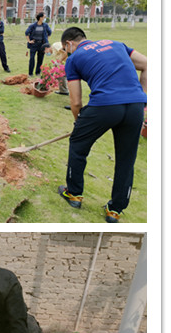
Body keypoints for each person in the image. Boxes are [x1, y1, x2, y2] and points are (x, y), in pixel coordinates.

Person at [57, 27, 147, 223]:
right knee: (126, 159)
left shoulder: (73, 58)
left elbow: (76, 102)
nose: (67, 53)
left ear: (69, 44)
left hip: (105, 105)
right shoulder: (116, 44)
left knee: (78, 146)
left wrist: (78, 124)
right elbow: (147, 64)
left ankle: (74, 194)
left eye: (66, 49)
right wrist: (143, 97)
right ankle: (115, 210)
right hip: (135, 106)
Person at [25, 12, 52, 77]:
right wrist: (29, 41)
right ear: (40, 18)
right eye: (44, 17)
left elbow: (50, 32)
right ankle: (30, 73)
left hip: (42, 45)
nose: (44, 18)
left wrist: (46, 41)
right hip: (34, 44)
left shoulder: (45, 25)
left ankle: (38, 72)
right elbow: (26, 33)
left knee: (40, 59)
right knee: (32, 58)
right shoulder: (33, 26)